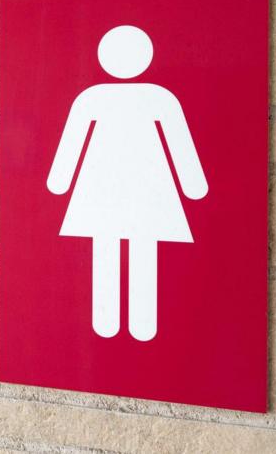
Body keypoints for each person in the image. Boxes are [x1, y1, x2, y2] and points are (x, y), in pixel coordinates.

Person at [46, 25, 207, 341]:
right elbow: (180, 144)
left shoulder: (93, 97)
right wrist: (193, 185)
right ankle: (138, 325)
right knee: (136, 248)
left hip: (107, 186)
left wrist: (60, 181)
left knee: (109, 248)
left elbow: (71, 146)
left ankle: (112, 324)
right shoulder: (158, 97)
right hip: (142, 186)